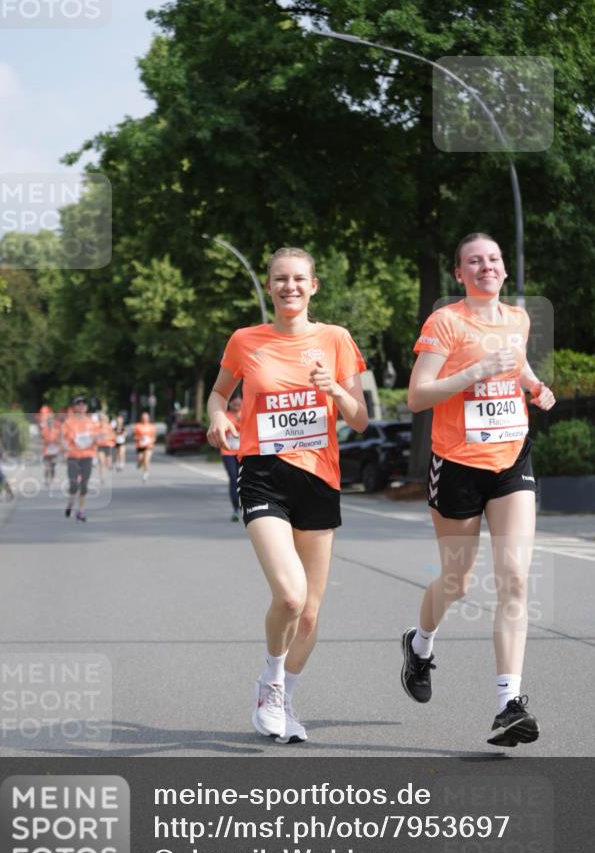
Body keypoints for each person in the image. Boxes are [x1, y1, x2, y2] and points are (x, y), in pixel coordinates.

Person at [207, 246, 368, 743]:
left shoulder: (336, 339)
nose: (289, 286)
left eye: (299, 278)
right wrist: (217, 416)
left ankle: (285, 695)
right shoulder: (245, 340)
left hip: (319, 480)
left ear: (313, 286)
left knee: (311, 613)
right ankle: (271, 685)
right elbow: (218, 393)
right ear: (269, 285)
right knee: (291, 594)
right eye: (280, 278)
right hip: (263, 475)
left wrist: (335, 391)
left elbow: (361, 419)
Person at [402, 233, 555, 747]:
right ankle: (420, 645)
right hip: (457, 465)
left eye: (493, 259)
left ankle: (509, 704)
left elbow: (517, 363)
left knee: (515, 579)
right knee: (457, 581)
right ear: (459, 274)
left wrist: (534, 386)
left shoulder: (518, 319)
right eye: (474, 261)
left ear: (504, 270)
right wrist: (473, 372)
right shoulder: (445, 322)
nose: (485, 266)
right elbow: (418, 396)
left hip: (511, 460)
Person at [62, 394, 100, 522]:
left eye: (84, 403)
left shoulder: (92, 422)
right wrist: (64, 446)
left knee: (84, 485)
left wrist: (97, 440)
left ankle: (81, 512)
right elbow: (62, 438)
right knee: (73, 484)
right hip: (73, 456)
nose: (82, 406)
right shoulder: (69, 422)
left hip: (87, 456)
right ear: (74, 407)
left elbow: (98, 437)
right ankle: (70, 503)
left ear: (87, 407)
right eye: (79, 404)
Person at [219, 393, 242, 521]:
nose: (237, 405)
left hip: (244, 453)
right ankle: (235, 509)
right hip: (228, 452)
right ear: (230, 403)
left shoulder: (246, 414)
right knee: (234, 479)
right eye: (234, 403)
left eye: (239, 403)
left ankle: (246, 506)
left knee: (244, 480)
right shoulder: (225, 416)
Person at [40, 414, 62, 489]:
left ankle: (52, 478)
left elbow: (59, 441)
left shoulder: (56, 431)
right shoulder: (44, 431)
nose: (50, 423)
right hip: (46, 451)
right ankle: (46, 479)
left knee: (53, 466)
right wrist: (43, 446)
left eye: (51, 422)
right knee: (47, 466)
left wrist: (57, 444)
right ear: (47, 422)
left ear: (53, 422)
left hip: (54, 451)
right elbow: (42, 440)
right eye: (49, 422)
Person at [133, 411, 156, 482]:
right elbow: (134, 436)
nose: (145, 419)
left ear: (148, 418)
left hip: (148, 446)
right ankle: (139, 464)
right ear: (141, 418)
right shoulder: (138, 426)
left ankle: (145, 474)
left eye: (146, 417)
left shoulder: (151, 426)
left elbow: (154, 437)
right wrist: (139, 439)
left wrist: (150, 441)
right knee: (140, 459)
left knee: (146, 460)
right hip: (140, 446)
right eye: (143, 417)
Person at [96, 413, 116, 484]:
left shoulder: (109, 427)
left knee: (108, 463)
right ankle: (101, 478)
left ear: (106, 420)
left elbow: (114, 436)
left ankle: (109, 465)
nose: (101, 421)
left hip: (108, 446)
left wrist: (108, 437)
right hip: (100, 446)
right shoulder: (96, 427)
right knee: (101, 462)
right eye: (100, 419)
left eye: (103, 420)